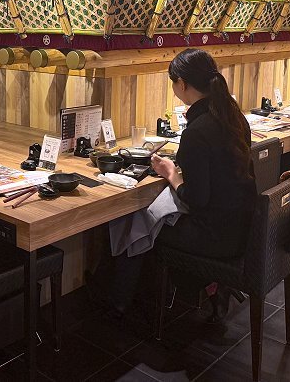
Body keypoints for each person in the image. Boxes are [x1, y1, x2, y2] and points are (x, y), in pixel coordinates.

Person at [105, 48, 256, 320]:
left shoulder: (198, 131)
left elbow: (196, 199)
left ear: (182, 84)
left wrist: (171, 174)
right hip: (241, 229)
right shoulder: (233, 117)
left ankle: (120, 301)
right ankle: (139, 296)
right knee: (149, 217)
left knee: (140, 222)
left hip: (215, 238)